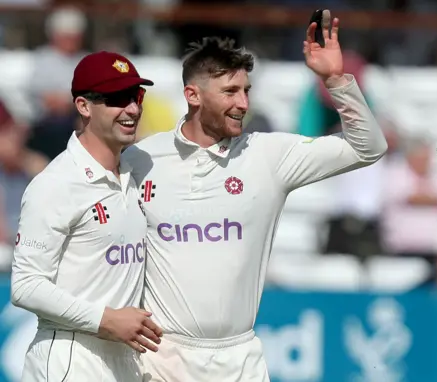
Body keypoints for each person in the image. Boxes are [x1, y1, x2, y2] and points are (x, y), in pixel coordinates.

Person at [122, 9, 387, 382]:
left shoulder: (268, 155)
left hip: (239, 359)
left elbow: (368, 147)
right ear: (192, 95)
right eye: (230, 91)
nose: (243, 103)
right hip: (161, 358)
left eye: (246, 90)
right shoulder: (142, 159)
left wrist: (335, 79)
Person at [11, 51, 163, 381]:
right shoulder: (56, 183)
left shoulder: (135, 170)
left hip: (125, 361)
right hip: (70, 359)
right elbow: (25, 285)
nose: (133, 109)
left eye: (137, 97)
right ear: (83, 106)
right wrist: (105, 319)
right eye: (118, 99)